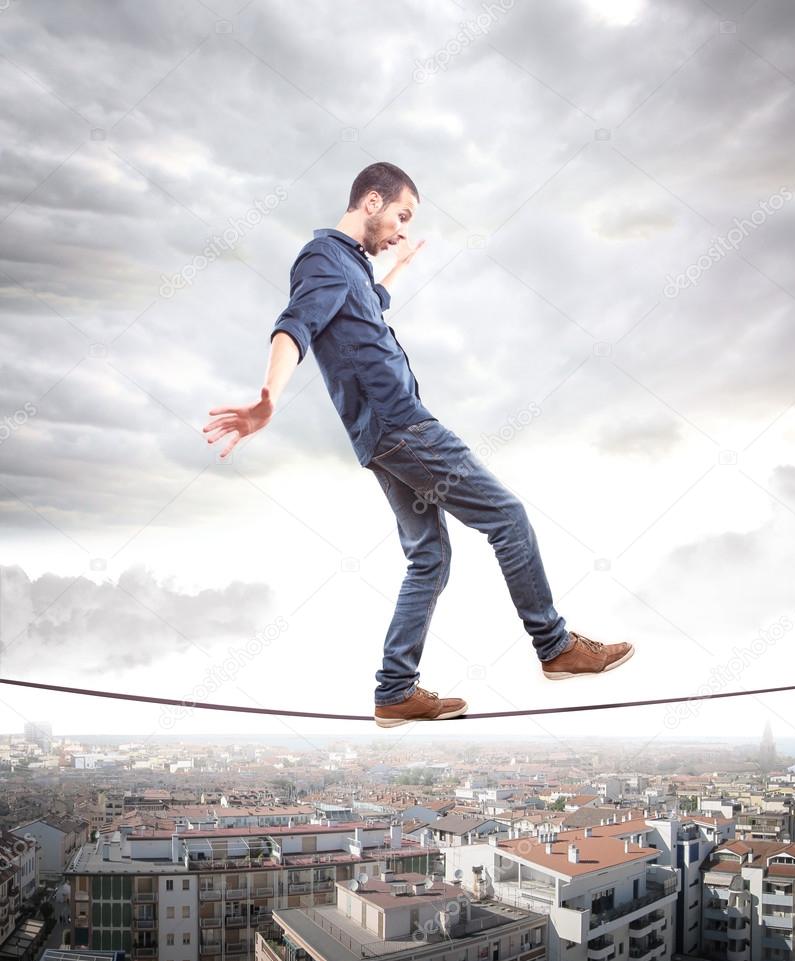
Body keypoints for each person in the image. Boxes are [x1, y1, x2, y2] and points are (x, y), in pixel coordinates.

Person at [204, 162, 634, 727]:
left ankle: (395, 690)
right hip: (405, 428)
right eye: (401, 216)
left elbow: (364, 312)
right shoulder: (323, 261)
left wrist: (395, 272)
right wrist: (267, 398)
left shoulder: (350, 270)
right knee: (507, 517)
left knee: (428, 558)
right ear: (372, 201)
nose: (402, 230)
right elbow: (294, 328)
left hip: (383, 437)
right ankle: (555, 648)